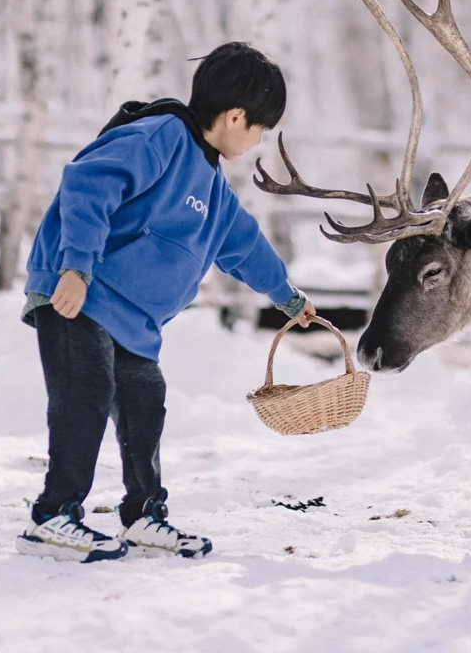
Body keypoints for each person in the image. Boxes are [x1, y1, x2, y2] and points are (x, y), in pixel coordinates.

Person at [17, 41, 315, 562]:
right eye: (261, 128)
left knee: (144, 405)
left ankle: (144, 515)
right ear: (235, 116)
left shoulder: (214, 188)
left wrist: (288, 298)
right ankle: (53, 516)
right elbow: (89, 183)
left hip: (133, 318)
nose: (259, 138)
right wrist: (77, 266)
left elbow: (244, 246)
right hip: (79, 292)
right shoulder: (160, 137)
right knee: (85, 394)